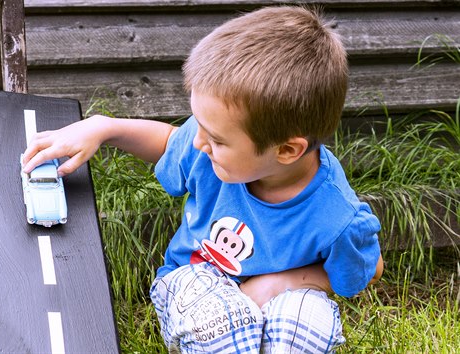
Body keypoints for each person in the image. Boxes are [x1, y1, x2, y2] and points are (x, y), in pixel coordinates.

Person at [22, 6, 383, 353]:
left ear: (287, 151)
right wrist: (105, 127)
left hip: (273, 302)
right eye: (200, 127)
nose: (198, 142)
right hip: (192, 284)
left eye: (218, 140)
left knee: (305, 325)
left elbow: (367, 268)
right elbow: (168, 142)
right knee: (226, 325)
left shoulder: (338, 217)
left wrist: (279, 284)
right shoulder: (207, 146)